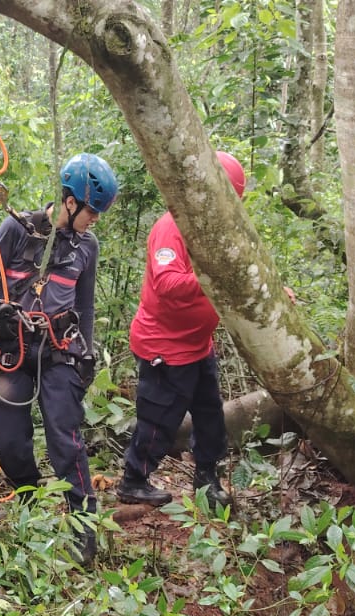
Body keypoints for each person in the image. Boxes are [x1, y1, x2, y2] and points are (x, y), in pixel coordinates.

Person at [0, 152, 116, 566]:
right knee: (7, 427)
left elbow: (84, 307)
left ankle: (83, 523)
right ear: (71, 202)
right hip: (14, 345)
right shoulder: (18, 230)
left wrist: (85, 354)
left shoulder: (87, 246)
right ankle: (27, 497)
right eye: (93, 211)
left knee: (64, 434)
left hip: (59, 350)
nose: (96, 219)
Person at [117, 152, 247, 510]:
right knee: (159, 420)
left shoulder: (218, 231)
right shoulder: (172, 227)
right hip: (165, 347)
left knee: (210, 415)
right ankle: (134, 480)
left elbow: (245, 272)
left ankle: (207, 477)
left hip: (198, 345)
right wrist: (217, 279)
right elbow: (168, 282)